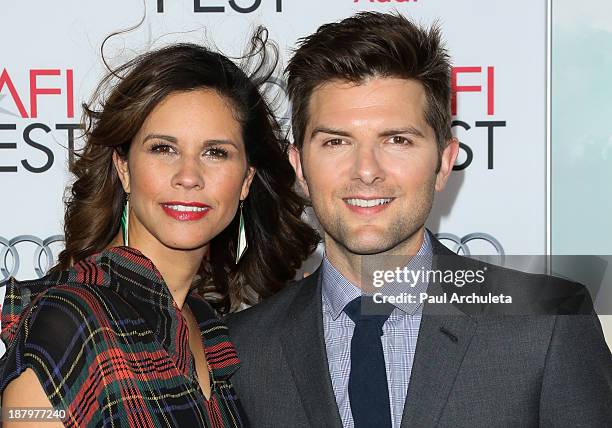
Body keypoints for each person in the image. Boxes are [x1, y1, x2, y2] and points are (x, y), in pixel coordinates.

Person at [226, 12, 612, 427]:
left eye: (397, 140)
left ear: (445, 162)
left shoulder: (547, 323)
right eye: (336, 141)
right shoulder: (242, 349)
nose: (366, 170)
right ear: (299, 166)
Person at [0, 29, 319, 427]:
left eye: (215, 152)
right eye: (163, 149)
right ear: (123, 168)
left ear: (246, 181)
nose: (189, 176)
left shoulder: (210, 330)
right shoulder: (73, 320)